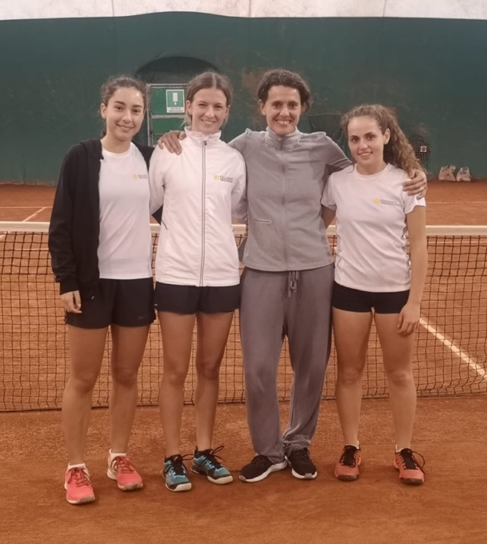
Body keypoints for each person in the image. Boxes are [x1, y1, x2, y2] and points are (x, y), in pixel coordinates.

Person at [158, 69, 427, 484]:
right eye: (276, 104)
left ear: (303, 108)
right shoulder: (244, 146)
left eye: (292, 105)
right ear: (262, 107)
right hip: (260, 273)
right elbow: (204, 146)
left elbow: (364, 171)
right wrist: (174, 134)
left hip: (315, 273)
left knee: (312, 367)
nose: (284, 112)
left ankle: (298, 444)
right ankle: (268, 451)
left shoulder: (322, 148)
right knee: (258, 369)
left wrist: (411, 170)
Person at [49, 76, 159, 505]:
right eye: (119, 107)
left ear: (143, 115)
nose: (127, 117)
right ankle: (76, 466)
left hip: (136, 283)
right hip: (91, 285)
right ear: (104, 109)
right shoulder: (80, 157)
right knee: (83, 378)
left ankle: (118, 457)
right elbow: (61, 223)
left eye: (135, 110)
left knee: (126, 376)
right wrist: (67, 280)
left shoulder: (150, 159)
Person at [149, 72, 247, 492]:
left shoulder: (234, 160)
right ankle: (172, 457)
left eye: (217, 106)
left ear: (227, 111)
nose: (209, 112)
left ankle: (204, 451)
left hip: (223, 276)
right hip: (175, 274)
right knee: (175, 369)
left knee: (209, 368)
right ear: (188, 106)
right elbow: (151, 202)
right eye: (202, 104)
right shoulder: (167, 151)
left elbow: (238, 208)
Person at [321, 104, 427, 485]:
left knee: (399, 373)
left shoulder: (407, 183)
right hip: (348, 290)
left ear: (386, 136)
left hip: (394, 294)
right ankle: (351, 446)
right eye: (354, 138)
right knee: (349, 372)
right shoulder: (338, 182)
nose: (362, 145)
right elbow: (315, 226)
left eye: (369, 136)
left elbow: (419, 246)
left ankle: (404, 450)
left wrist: (414, 302)